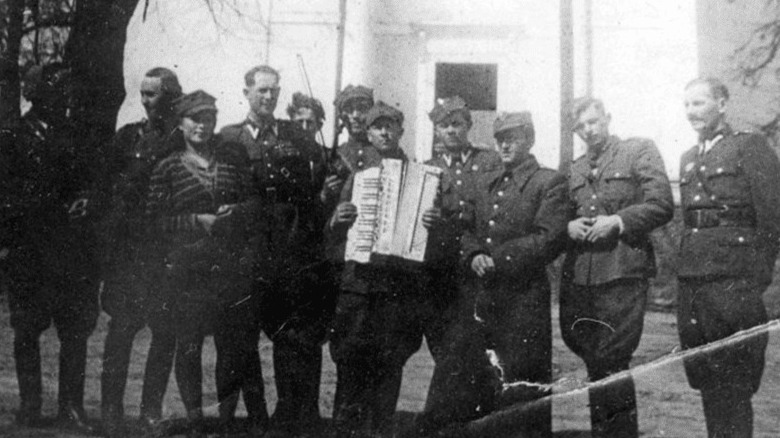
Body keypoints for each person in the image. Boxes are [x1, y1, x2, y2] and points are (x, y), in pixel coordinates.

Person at [421, 112, 569, 437]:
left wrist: (496, 258)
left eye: (512, 137)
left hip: (522, 301)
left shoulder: (549, 181)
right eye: (500, 138)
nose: (504, 144)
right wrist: (473, 254)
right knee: (474, 380)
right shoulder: (486, 181)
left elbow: (549, 238)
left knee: (520, 386)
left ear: (529, 139)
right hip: (480, 298)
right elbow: (467, 226)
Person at [219, 65, 332, 438]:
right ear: (247, 92)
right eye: (262, 90)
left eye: (274, 91)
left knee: (287, 337)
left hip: (285, 250)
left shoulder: (292, 135)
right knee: (244, 337)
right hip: (247, 249)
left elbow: (316, 178)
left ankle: (288, 416)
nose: (269, 97)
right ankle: (256, 416)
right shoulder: (229, 138)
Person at [146, 90, 261, 438]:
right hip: (187, 274)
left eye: (208, 118)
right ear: (181, 124)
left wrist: (236, 212)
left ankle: (225, 418)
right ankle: (196, 417)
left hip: (227, 271)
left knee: (231, 347)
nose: (202, 125)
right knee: (190, 345)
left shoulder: (230, 164)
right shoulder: (167, 168)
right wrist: (198, 220)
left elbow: (254, 204)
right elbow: (153, 221)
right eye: (194, 119)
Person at [560, 97, 673, 438]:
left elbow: (661, 204)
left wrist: (619, 221)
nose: (589, 130)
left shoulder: (638, 151)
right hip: (582, 277)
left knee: (613, 361)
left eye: (594, 121)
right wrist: (568, 227)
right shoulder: (575, 168)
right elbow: (559, 214)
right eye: (581, 126)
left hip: (623, 272)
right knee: (594, 362)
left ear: (607, 118)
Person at [327, 101, 441, 437]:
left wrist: (432, 224)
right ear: (369, 132)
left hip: (395, 290)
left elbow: (428, 238)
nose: (384, 132)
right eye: (378, 127)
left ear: (401, 131)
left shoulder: (421, 175)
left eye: (390, 126)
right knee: (350, 367)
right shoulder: (356, 172)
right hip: (359, 288)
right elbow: (332, 234)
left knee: (389, 368)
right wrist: (338, 219)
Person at [677, 77, 780, 438]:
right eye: (687, 104)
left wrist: (757, 276)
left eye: (700, 103)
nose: (692, 112)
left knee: (734, 382)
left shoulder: (749, 147)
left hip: (734, 280)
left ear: (722, 104)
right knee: (705, 376)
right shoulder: (688, 159)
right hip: (694, 281)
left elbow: (771, 216)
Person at [1, 63, 100, 434]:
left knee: (74, 330)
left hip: (73, 253)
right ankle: (29, 406)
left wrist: (88, 199)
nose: (66, 96)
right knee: (27, 329)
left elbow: (94, 183)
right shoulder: (14, 138)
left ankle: (71, 407)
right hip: (30, 251)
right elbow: (5, 196)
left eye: (68, 88)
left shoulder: (80, 136)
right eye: (57, 88)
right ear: (36, 93)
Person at [99, 67, 182, 437]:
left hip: (167, 253)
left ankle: (150, 410)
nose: (147, 101)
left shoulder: (185, 141)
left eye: (154, 94)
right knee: (121, 332)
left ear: (171, 96)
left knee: (164, 334)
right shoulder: (127, 137)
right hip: (130, 255)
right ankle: (110, 411)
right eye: (144, 94)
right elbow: (108, 193)